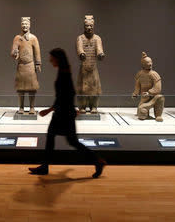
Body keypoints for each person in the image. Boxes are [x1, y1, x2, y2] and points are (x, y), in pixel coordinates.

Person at [28, 48, 107, 178]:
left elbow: (64, 96)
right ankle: (45, 166)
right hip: (64, 112)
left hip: (63, 114)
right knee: (57, 138)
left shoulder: (64, 73)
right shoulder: (63, 71)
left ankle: (97, 161)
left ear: (58, 59)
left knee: (71, 141)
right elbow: (68, 94)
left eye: (52, 58)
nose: (50, 60)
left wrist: (49, 110)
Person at [11, 17, 42, 115]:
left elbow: (37, 51)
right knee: (21, 89)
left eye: (26, 24)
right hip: (21, 66)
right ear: (21, 25)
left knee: (32, 88)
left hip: (30, 66)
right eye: (23, 24)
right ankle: (21, 107)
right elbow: (13, 52)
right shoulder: (17, 38)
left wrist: (38, 63)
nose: (25, 26)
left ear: (29, 25)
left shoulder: (33, 38)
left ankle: (32, 108)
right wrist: (15, 53)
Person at [76, 15, 105, 114]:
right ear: (84, 26)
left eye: (91, 26)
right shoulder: (80, 38)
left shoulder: (97, 38)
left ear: (93, 26)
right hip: (84, 68)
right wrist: (81, 54)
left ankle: (94, 107)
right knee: (82, 89)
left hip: (93, 68)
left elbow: (99, 48)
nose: (89, 28)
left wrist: (100, 54)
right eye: (87, 26)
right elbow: (79, 48)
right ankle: (82, 107)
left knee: (95, 88)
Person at [132, 52, 165, 122]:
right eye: (148, 62)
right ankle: (143, 112)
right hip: (144, 97)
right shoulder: (140, 74)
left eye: (151, 62)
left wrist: (150, 92)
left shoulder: (154, 74)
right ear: (143, 64)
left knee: (160, 98)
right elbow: (137, 86)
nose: (150, 64)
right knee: (142, 114)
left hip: (154, 97)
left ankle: (158, 115)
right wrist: (135, 93)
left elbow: (158, 87)